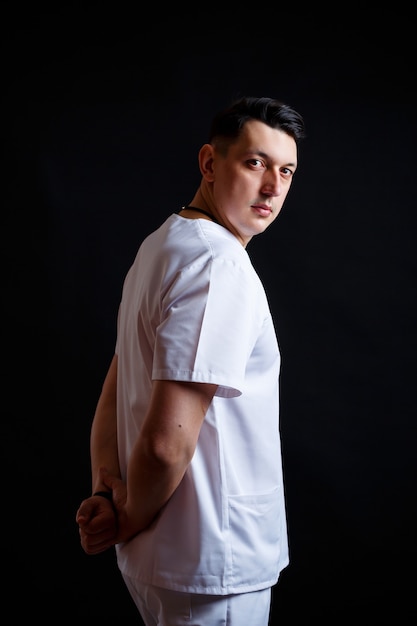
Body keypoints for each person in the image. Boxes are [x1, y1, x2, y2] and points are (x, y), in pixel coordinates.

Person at [76, 95, 306, 625]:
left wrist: (104, 491)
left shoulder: (162, 245)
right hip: (210, 566)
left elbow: (115, 383)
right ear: (209, 163)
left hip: (163, 558)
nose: (273, 187)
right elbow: (163, 445)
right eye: (255, 163)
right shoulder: (216, 264)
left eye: (286, 171)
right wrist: (127, 516)